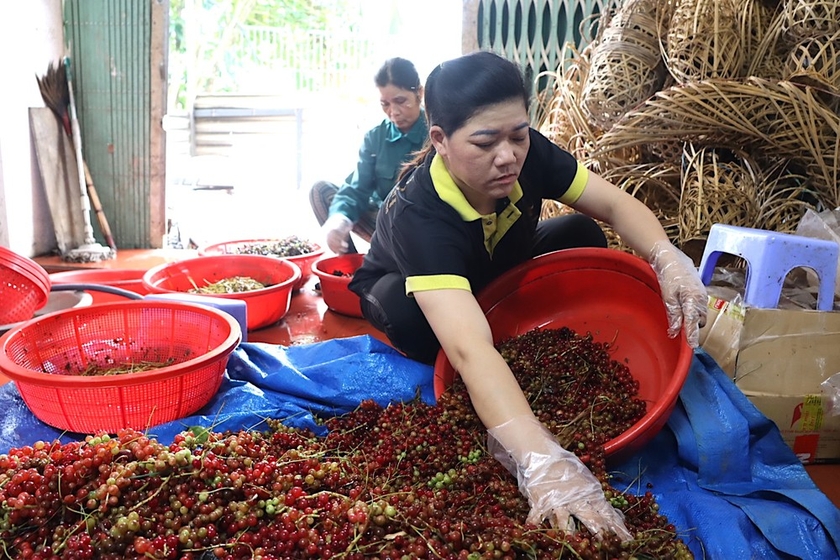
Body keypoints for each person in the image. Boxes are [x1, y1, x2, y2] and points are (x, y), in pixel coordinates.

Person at [348, 51, 707, 540]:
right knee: (415, 323)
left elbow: (615, 203)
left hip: (490, 263)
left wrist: (668, 257)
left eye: (518, 134)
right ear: (440, 141)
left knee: (580, 230)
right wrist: (539, 456)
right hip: (413, 283)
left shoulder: (526, 154)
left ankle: (494, 311)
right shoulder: (420, 214)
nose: (508, 156)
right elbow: (470, 350)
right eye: (485, 142)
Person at [309, 57, 428, 254]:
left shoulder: (436, 132)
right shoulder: (376, 137)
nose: (393, 112)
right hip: (384, 223)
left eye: (400, 101)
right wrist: (340, 220)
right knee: (321, 192)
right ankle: (351, 267)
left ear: (419, 93)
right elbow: (357, 188)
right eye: (385, 104)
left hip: (425, 229)